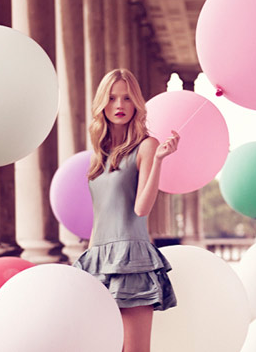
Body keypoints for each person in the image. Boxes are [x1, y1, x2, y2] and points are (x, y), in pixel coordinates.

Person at [73, 68, 179, 352]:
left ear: (136, 104)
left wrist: (158, 161)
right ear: (102, 105)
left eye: (127, 98)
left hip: (132, 261)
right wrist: (87, 260)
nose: (119, 105)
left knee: (134, 350)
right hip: (98, 259)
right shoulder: (99, 155)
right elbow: (100, 217)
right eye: (112, 98)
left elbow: (142, 209)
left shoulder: (147, 146)